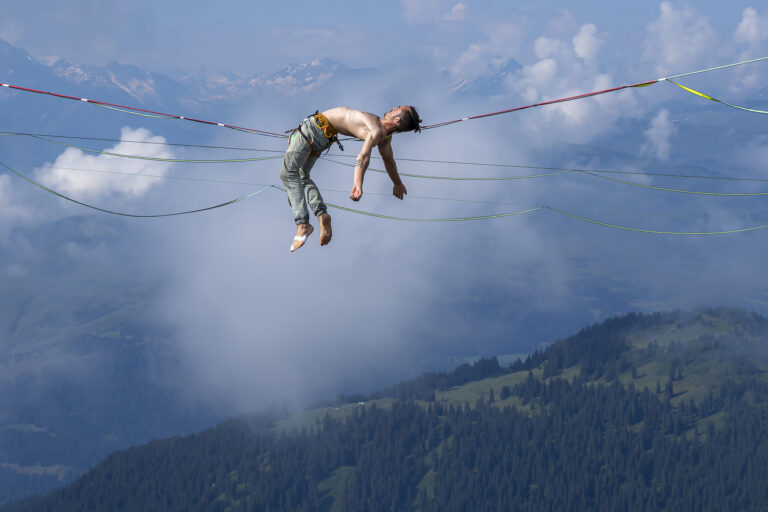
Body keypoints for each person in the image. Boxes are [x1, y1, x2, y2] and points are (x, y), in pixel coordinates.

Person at [280, 105, 421, 252]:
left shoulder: (376, 129)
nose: (394, 107)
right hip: (324, 137)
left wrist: (357, 184)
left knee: (288, 173)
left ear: (397, 120)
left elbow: (363, 156)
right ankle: (322, 215)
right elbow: (389, 160)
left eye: (397, 108)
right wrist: (397, 183)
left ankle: (302, 224)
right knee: (301, 176)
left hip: (315, 128)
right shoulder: (385, 137)